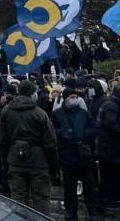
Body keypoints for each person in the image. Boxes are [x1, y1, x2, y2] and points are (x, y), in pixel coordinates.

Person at [0, 80, 59, 217]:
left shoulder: (6, 111)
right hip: (39, 162)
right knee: (41, 200)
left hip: (15, 160)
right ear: (32, 94)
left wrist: (5, 161)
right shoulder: (40, 113)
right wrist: (54, 167)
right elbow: (50, 142)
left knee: (18, 200)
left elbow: (2, 140)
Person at [52, 87, 99, 221]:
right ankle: (71, 211)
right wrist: (62, 134)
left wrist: (83, 135)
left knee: (90, 186)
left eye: (75, 97)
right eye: (71, 97)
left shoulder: (83, 113)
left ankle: (92, 210)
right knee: (69, 188)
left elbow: (95, 128)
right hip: (68, 156)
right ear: (65, 99)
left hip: (84, 156)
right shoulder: (58, 114)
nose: (74, 99)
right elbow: (51, 130)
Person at [97, 80, 120, 208]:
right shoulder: (111, 106)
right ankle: (106, 201)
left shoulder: (112, 104)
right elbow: (112, 126)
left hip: (111, 148)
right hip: (109, 149)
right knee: (109, 176)